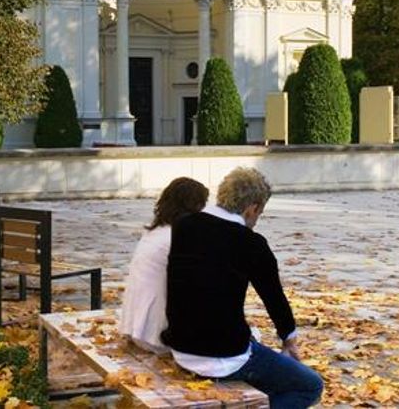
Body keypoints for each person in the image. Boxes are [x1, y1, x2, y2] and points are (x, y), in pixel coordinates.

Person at [161, 167, 323, 409]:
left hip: (181, 347)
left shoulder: (185, 225)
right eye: (260, 214)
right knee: (309, 385)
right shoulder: (251, 243)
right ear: (253, 208)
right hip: (224, 355)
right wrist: (289, 340)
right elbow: (274, 299)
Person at [118, 176, 209, 351]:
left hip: (136, 327)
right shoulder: (178, 238)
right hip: (157, 335)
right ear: (195, 207)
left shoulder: (155, 232)